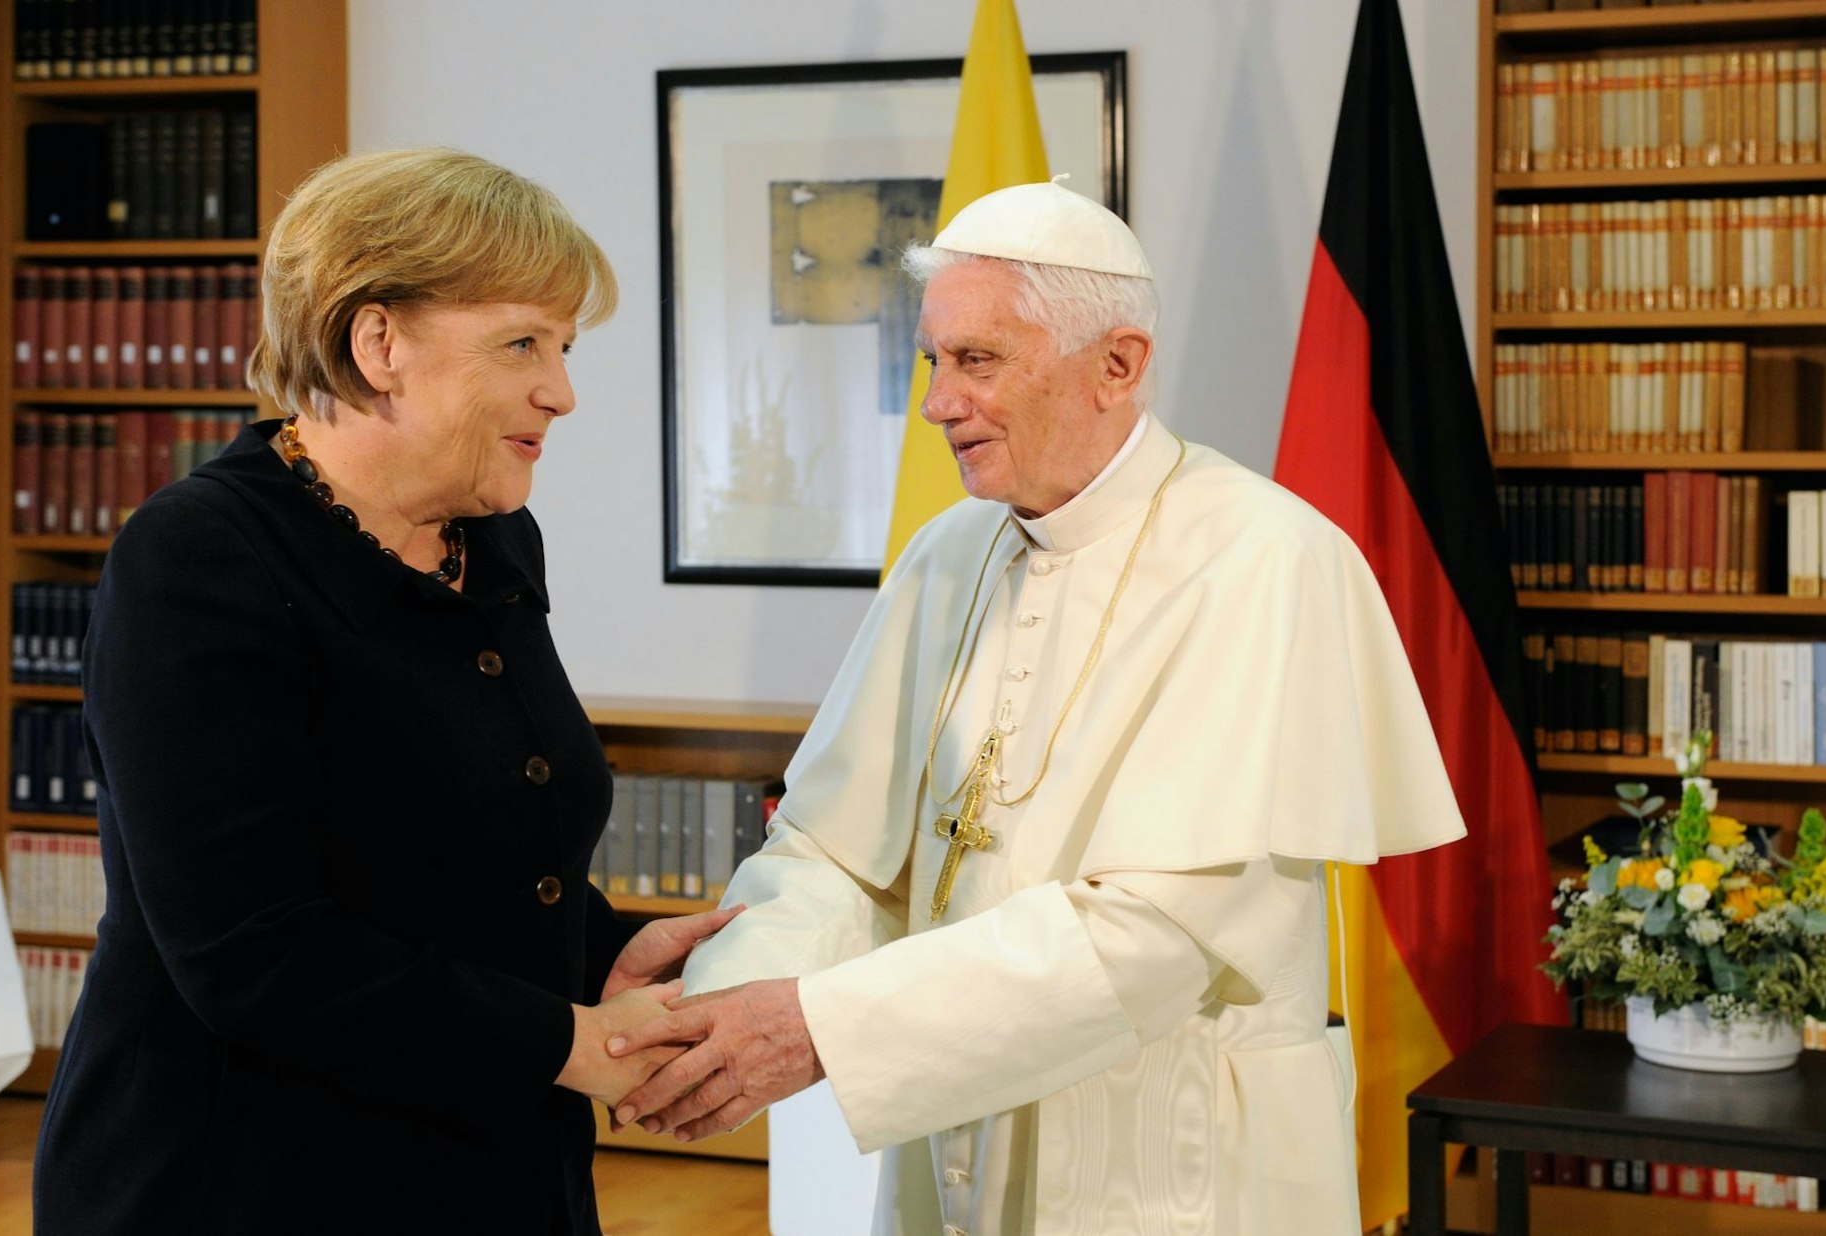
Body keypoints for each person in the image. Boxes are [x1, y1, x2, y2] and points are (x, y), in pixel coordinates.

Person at [607, 181, 1469, 1233]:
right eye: (932, 360)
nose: (935, 401)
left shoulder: (1265, 560)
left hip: (1172, 1168)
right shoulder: (946, 554)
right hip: (953, 1139)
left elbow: (1156, 939)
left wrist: (822, 1029)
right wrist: (713, 1016)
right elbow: (834, 854)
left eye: (977, 360)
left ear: (1118, 365)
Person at [32, 148, 729, 1236]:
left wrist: (598, 955)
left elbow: (457, 849)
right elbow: (252, 949)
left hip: (491, 1163)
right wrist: (566, 1042)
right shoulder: (199, 560)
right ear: (378, 342)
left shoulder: (494, 538)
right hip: (241, 1183)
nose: (562, 390)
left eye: (563, 345)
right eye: (521, 343)